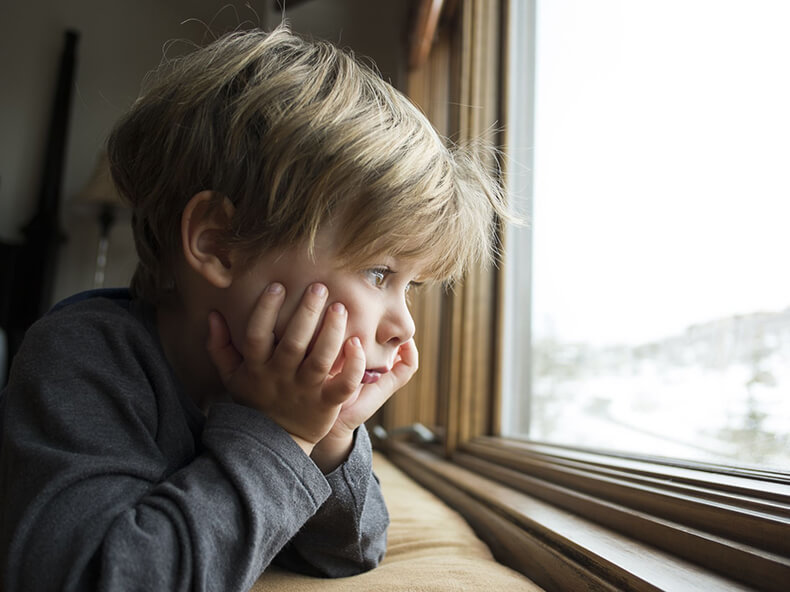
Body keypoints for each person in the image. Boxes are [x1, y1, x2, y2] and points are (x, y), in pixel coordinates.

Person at [0, 25, 505, 591]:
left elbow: (349, 554)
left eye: (411, 287)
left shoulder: (289, 389)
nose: (404, 324)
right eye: (378, 273)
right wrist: (281, 434)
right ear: (219, 244)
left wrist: (330, 434)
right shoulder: (84, 357)